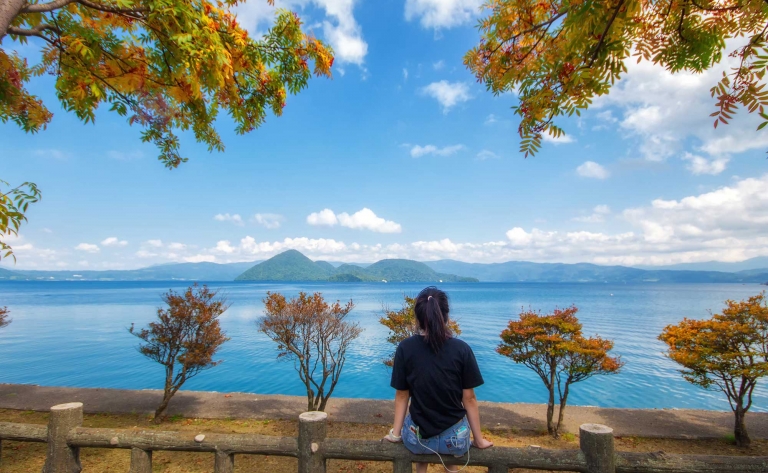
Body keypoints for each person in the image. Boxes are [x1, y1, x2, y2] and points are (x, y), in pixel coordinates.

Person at [382, 286, 493, 473]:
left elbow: (402, 395)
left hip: (418, 439)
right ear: (446, 316)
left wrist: (395, 434)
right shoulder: (461, 349)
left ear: (417, 318)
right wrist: (479, 440)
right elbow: (469, 399)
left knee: (420, 438)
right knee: (451, 456)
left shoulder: (405, 348)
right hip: (456, 440)